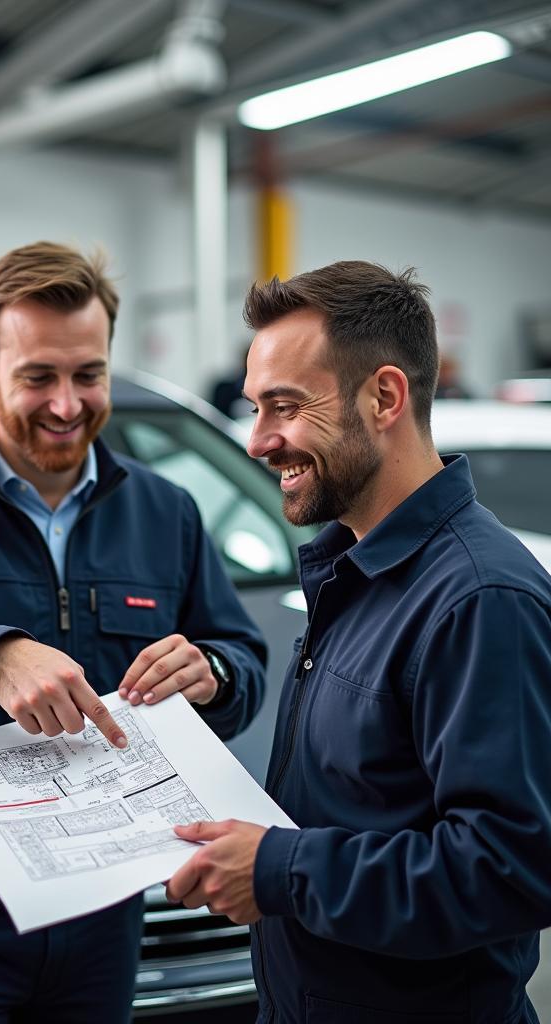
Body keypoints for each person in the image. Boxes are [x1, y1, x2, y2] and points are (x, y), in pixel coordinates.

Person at [0, 241, 267, 1023]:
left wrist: (214, 669)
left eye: (88, 374)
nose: (68, 404)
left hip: (107, 913)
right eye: (39, 376)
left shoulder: (165, 511)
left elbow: (242, 659)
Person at [166, 261, 551, 1021]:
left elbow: (510, 871)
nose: (258, 441)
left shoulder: (479, 599)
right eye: (254, 408)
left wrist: (280, 869)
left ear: (384, 397)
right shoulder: (357, 571)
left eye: (284, 407)